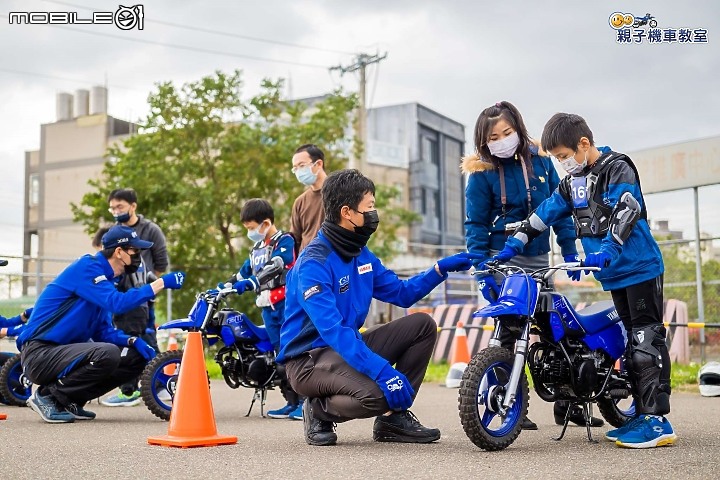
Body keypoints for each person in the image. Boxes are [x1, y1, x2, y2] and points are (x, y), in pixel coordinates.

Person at [492, 112, 672, 449]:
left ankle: (657, 422)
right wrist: (513, 244)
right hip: (615, 274)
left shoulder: (618, 167)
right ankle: (639, 416)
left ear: (583, 144)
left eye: (563, 156)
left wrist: (605, 249)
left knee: (646, 339)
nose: (562, 164)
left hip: (640, 266)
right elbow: (546, 212)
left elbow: (626, 210)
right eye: (557, 159)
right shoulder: (572, 183)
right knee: (632, 342)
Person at [277, 169, 483, 446]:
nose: (374, 214)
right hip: (308, 360)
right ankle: (317, 410)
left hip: (343, 349)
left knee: (421, 325)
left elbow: (402, 293)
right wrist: (384, 372)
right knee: (378, 392)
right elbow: (334, 331)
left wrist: (439, 269)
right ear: (347, 212)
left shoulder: (359, 253)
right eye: (370, 207)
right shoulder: (313, 264)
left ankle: (392, 419)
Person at [462, 101, 603, 429]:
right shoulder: (480, 175)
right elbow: (475, 227)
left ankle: (570, 405)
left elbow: (560, 205)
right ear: (484, 142)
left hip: (540, 259)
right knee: (508, 332)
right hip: (503, 262)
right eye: (494, 137)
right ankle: (512, 406)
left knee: (556, 330)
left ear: (519, 129)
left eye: (508, 132)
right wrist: (483, 271)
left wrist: (569, 250)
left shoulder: (541, 161)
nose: (502, 139)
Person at [17, 225, 186, 423]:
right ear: (119, 252)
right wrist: (161, 283)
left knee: (134, 357)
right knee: (108, 353)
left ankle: (70, 399)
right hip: (40, 353)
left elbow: (103, 332)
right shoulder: (87, 268)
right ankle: (49, 397)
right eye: (135, 251)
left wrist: (133, 341)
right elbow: (118, 303)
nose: (139, 257)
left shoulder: (106, 281)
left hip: (62, 353)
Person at [223, 198, 302, 419]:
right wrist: (226, 285)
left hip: (286, 304)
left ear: (265, 223)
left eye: (251, 228)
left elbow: (277, 264)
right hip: (267, 307)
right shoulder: (257, 248)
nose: (250, 232)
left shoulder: (284, 241)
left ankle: (306, 402)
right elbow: (243, 272)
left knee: (294, 350)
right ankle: (291, 400)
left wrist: (252, 283)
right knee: (280, 354)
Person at [103, 188, 168, 406]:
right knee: (139, 339)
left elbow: (160, 264)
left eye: (119, 206)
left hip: (144, 296)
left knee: (143, 337)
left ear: (133, 206)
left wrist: (147, 288)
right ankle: (158, 383)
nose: (115, 211)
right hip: (121, 297)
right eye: (112, 207)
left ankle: (132, 390)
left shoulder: (150, 230)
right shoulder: (114, 231)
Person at [92, 226, 157, 407]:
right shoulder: (141, 262)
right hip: (142, 309)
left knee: (126, 348)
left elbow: (114, 291)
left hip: (129, 310)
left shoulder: (123, 267)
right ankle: (149, 384)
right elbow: (151, 279)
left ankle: (128, 390)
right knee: (142, 345)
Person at [290, 144, 328, 252]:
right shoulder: (300, 202)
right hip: (307, 264)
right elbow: (295, 239)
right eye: (295, 168)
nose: (298, 171)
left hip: (335, 262)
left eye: (302, 165)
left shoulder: (340, 192)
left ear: (319, 164)